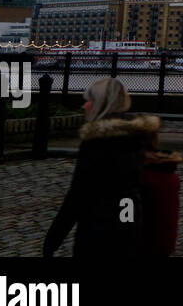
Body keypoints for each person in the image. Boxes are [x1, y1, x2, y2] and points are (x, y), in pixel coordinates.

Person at [43, 77, 167, 257]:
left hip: (96, 232)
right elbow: (133, 192)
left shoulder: (96, 142)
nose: (85, 106)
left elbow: (77, 195)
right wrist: (130, 228)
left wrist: (52, 241)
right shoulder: (138, 137)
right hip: (127, 228)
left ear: (102, 105)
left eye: (90, 101)